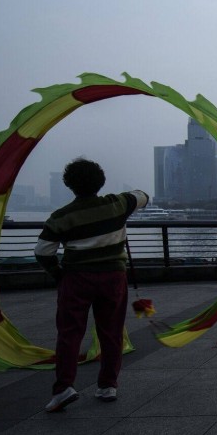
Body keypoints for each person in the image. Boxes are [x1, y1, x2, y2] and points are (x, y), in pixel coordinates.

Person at [34, 158, 149, 413]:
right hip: (113, 278)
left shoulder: (61, 216)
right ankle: (108, 385)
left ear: (69, 185)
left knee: (69, 333)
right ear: (101, 180)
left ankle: (64, 387)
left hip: (76, 279)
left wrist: (59, 274)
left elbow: (43, 251)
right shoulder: (118, 203)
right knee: (111, 332)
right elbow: (143, 195)